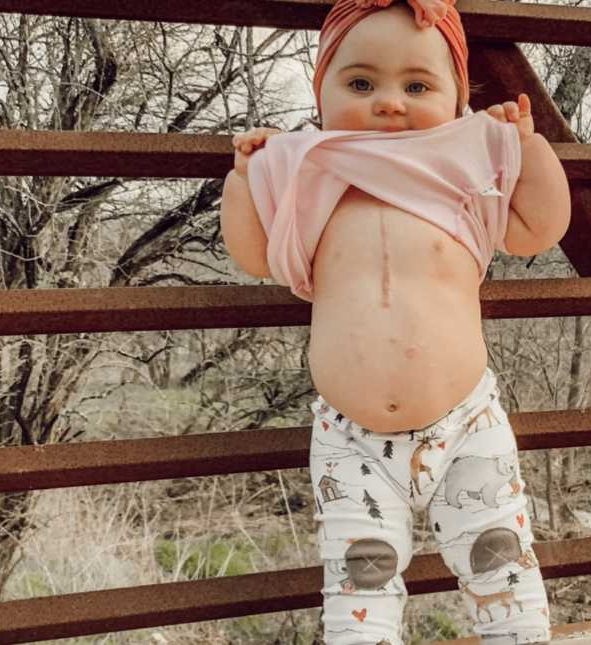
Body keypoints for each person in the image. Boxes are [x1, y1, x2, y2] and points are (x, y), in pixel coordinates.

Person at [220, 1, 570, 642]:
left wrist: (527, 146)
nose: (389, 102)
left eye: (418, 86)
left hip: (466, 424)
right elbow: (252, 256)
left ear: (457, 98)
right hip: (350, 439)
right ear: (320, 90)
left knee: (501, 568)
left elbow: (540, 230)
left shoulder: (465, 170)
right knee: (360, 579)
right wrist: (245, 181)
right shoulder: (306, 173)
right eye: (360, 84)